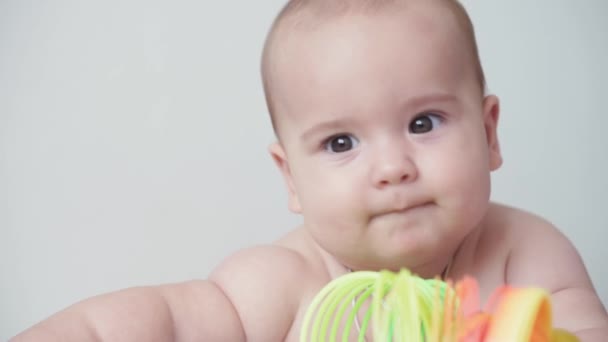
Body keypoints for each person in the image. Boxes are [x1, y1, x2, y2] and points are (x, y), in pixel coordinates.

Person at [12, 0, 608, 341]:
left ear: (488, 133)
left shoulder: (528, 256)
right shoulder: (282, 282)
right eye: (341, 141)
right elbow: (163, 324)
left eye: (423, 123)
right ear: (291, 178)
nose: (392, 168)